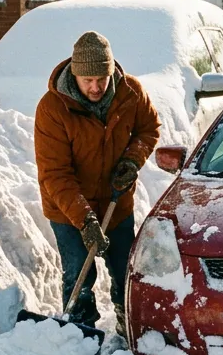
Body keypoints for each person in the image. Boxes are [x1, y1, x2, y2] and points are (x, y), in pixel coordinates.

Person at [34, 31, 160, 335]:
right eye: (87, 80)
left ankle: (126, 318)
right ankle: (79, 328)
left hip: (116, 202)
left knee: (123, 269)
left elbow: (149, 128)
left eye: (101, 79)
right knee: (79, 271)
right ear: (74, 75)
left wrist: (131, 160)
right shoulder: (53, 109)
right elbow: (56, 174)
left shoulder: (130, 93)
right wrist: (85, 220)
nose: (95, 87)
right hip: (68, 210)